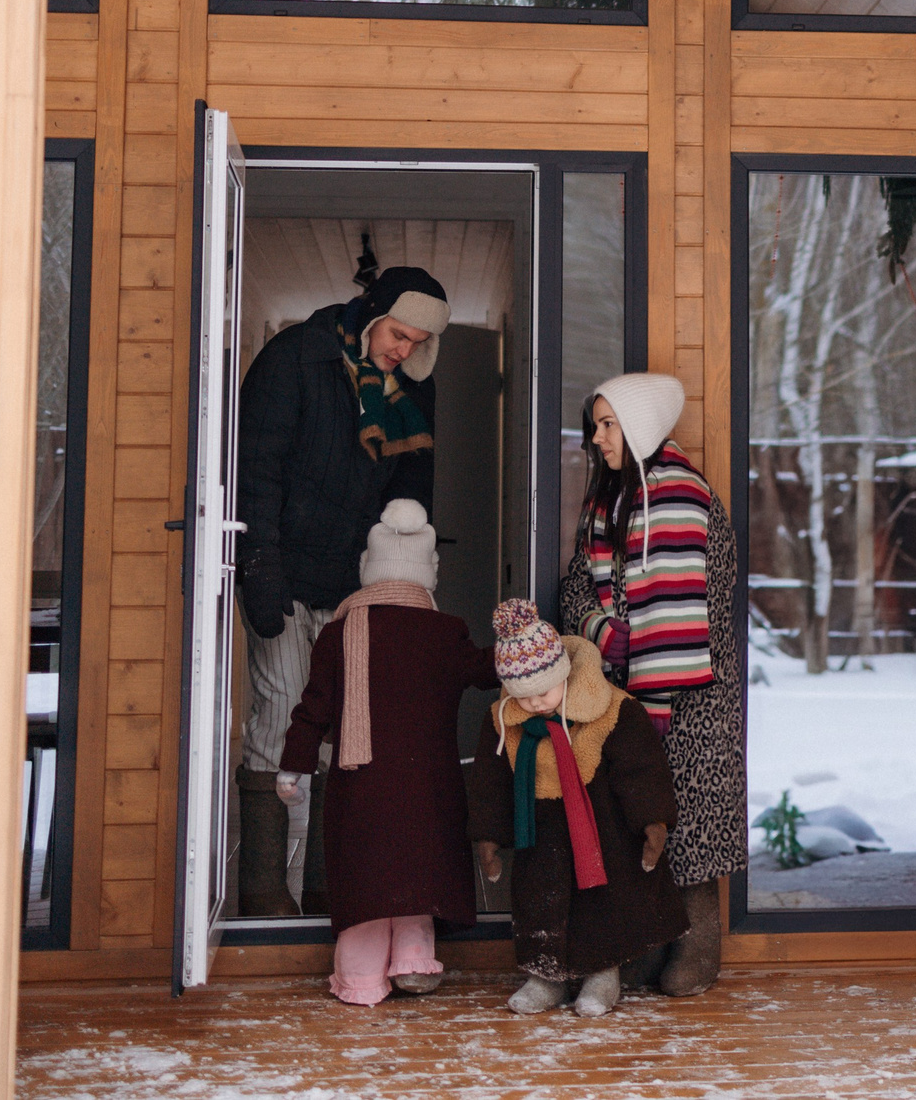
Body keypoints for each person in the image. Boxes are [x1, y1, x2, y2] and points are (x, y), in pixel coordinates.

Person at [233, 264, 451, 918]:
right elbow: (257, 469)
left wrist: (397, 592)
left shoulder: (408, 391)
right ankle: (266, 894)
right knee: (279, 721)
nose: (403, 348)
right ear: (372, 310)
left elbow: (407, 503)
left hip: (349, 588)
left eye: (417, 341)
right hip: (284, 578)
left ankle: (331, 891)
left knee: (342, 737)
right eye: (398, 332)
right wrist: (260, 570)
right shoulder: (296, 358)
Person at [558, 372, 742, 997]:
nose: (597, 436)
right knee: (636, 818)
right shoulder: (613, 498)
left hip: (690, 691)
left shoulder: (676, 496)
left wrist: (611, 640)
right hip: (629, 688)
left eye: (608, 424)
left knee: (685, 820)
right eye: (596, 423)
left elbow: (669, 614)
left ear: (638, 427)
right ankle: (643, 943)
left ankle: (698, 946)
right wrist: (604, 633)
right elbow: (578, 584)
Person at [277, 501, 495, 1004]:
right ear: (428, 575)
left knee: (365, 878)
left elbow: (313, 709)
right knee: (420, 868)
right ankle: (415, 964)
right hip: (429, 783)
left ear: (367, 570)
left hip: (362, 784)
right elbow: (485, 670)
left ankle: (359, 978)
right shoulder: (445, 632)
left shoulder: (338, 634)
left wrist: (295, 766)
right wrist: (528, 649)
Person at [470, 599, 684, 1016]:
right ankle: (545, 975)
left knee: (601, 900)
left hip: (599, 824)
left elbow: (640, 768)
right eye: (523, 696)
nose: (534, 705)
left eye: (543, 692)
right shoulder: (501, 720)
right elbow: (490, 780)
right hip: (540, 827)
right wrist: (490, 834)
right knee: (539, 898)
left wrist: (652, 821)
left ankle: (602, 974)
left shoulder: (613, 709)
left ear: (563, 674)